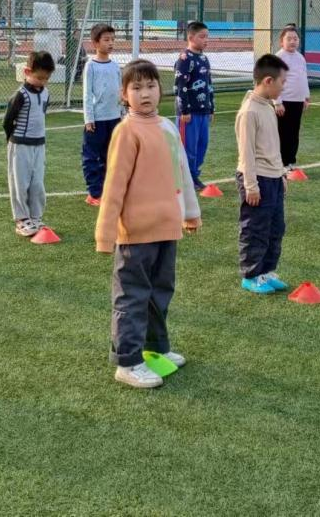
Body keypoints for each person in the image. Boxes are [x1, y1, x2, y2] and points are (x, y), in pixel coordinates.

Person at [95, 59, 201, 389]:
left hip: (166, 228)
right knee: (132, 296)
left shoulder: (167, 127)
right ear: (123, 94)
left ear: (160, 89)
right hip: (135, 234)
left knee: (159, 292)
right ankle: (127, 362)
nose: (145, 93)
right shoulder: (126, 131)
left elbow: (181, 173)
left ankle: (156, 348)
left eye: (151, 86)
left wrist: (190, 212)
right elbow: (114, 185)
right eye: (136, 87)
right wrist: (105, 233)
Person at [236, 53, 290, 295]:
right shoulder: (249, 112)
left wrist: (281, 174)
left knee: (275, 227)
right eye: (282, 82)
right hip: (257, 178)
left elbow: (273, 145)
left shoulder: (268, 106)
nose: (283, 87)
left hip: (273, 177)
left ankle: (266, 271)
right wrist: (251, 185)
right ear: (268, 81)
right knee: (255, 228)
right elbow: (246, 152)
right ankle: (251, 275)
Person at [4, 50, 53, 237]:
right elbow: (8, 121)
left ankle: (36, 216)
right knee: (20, 183)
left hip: (39, 145)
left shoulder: (46, 93)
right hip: (20, 145)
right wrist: (11, 141)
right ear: (27, 72)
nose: (43, 82)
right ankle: (22, 219)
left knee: (37, 183)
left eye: (46, 78)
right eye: (39, 77)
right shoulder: (20, 95)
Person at [81, 23, 122, 206]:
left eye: (113, 39)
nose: (110, 43)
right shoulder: (91, 66)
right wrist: (89, 118)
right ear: (95, 43)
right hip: (97, 120)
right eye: (106, 40)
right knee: (92, 156)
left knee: (111, 156)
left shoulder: (115, 66)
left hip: (114, 118)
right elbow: (87, 94)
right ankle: (94, 193)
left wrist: (122, 113)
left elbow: (120, 91)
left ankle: (107, 189)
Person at [174, 20, 214, 189]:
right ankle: (185, 177)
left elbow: (209, 84)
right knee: (188, 147)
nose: (206, 40)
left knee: (201, 145)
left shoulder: (204, 59)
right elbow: (180, 86)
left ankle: (194, 175)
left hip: (203, 111)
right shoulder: (185, 59)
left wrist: (211, 107)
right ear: (191, 37)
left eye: (207, 37)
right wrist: (184, 110)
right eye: (202, 37)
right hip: (189, 113)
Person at [274, 26, 310, 172]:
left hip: (298, 101)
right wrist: (277, 102)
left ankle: (291, 161)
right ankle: (281, 163)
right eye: (289, 39)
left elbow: (303, 77)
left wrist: (305, 97)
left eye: (295, 38)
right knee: (283, 133)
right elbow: (275, 80)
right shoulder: (279, 58)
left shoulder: (300, 57)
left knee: (294, 132)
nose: (292, 41)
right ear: (281, 41)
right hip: (284, 102)